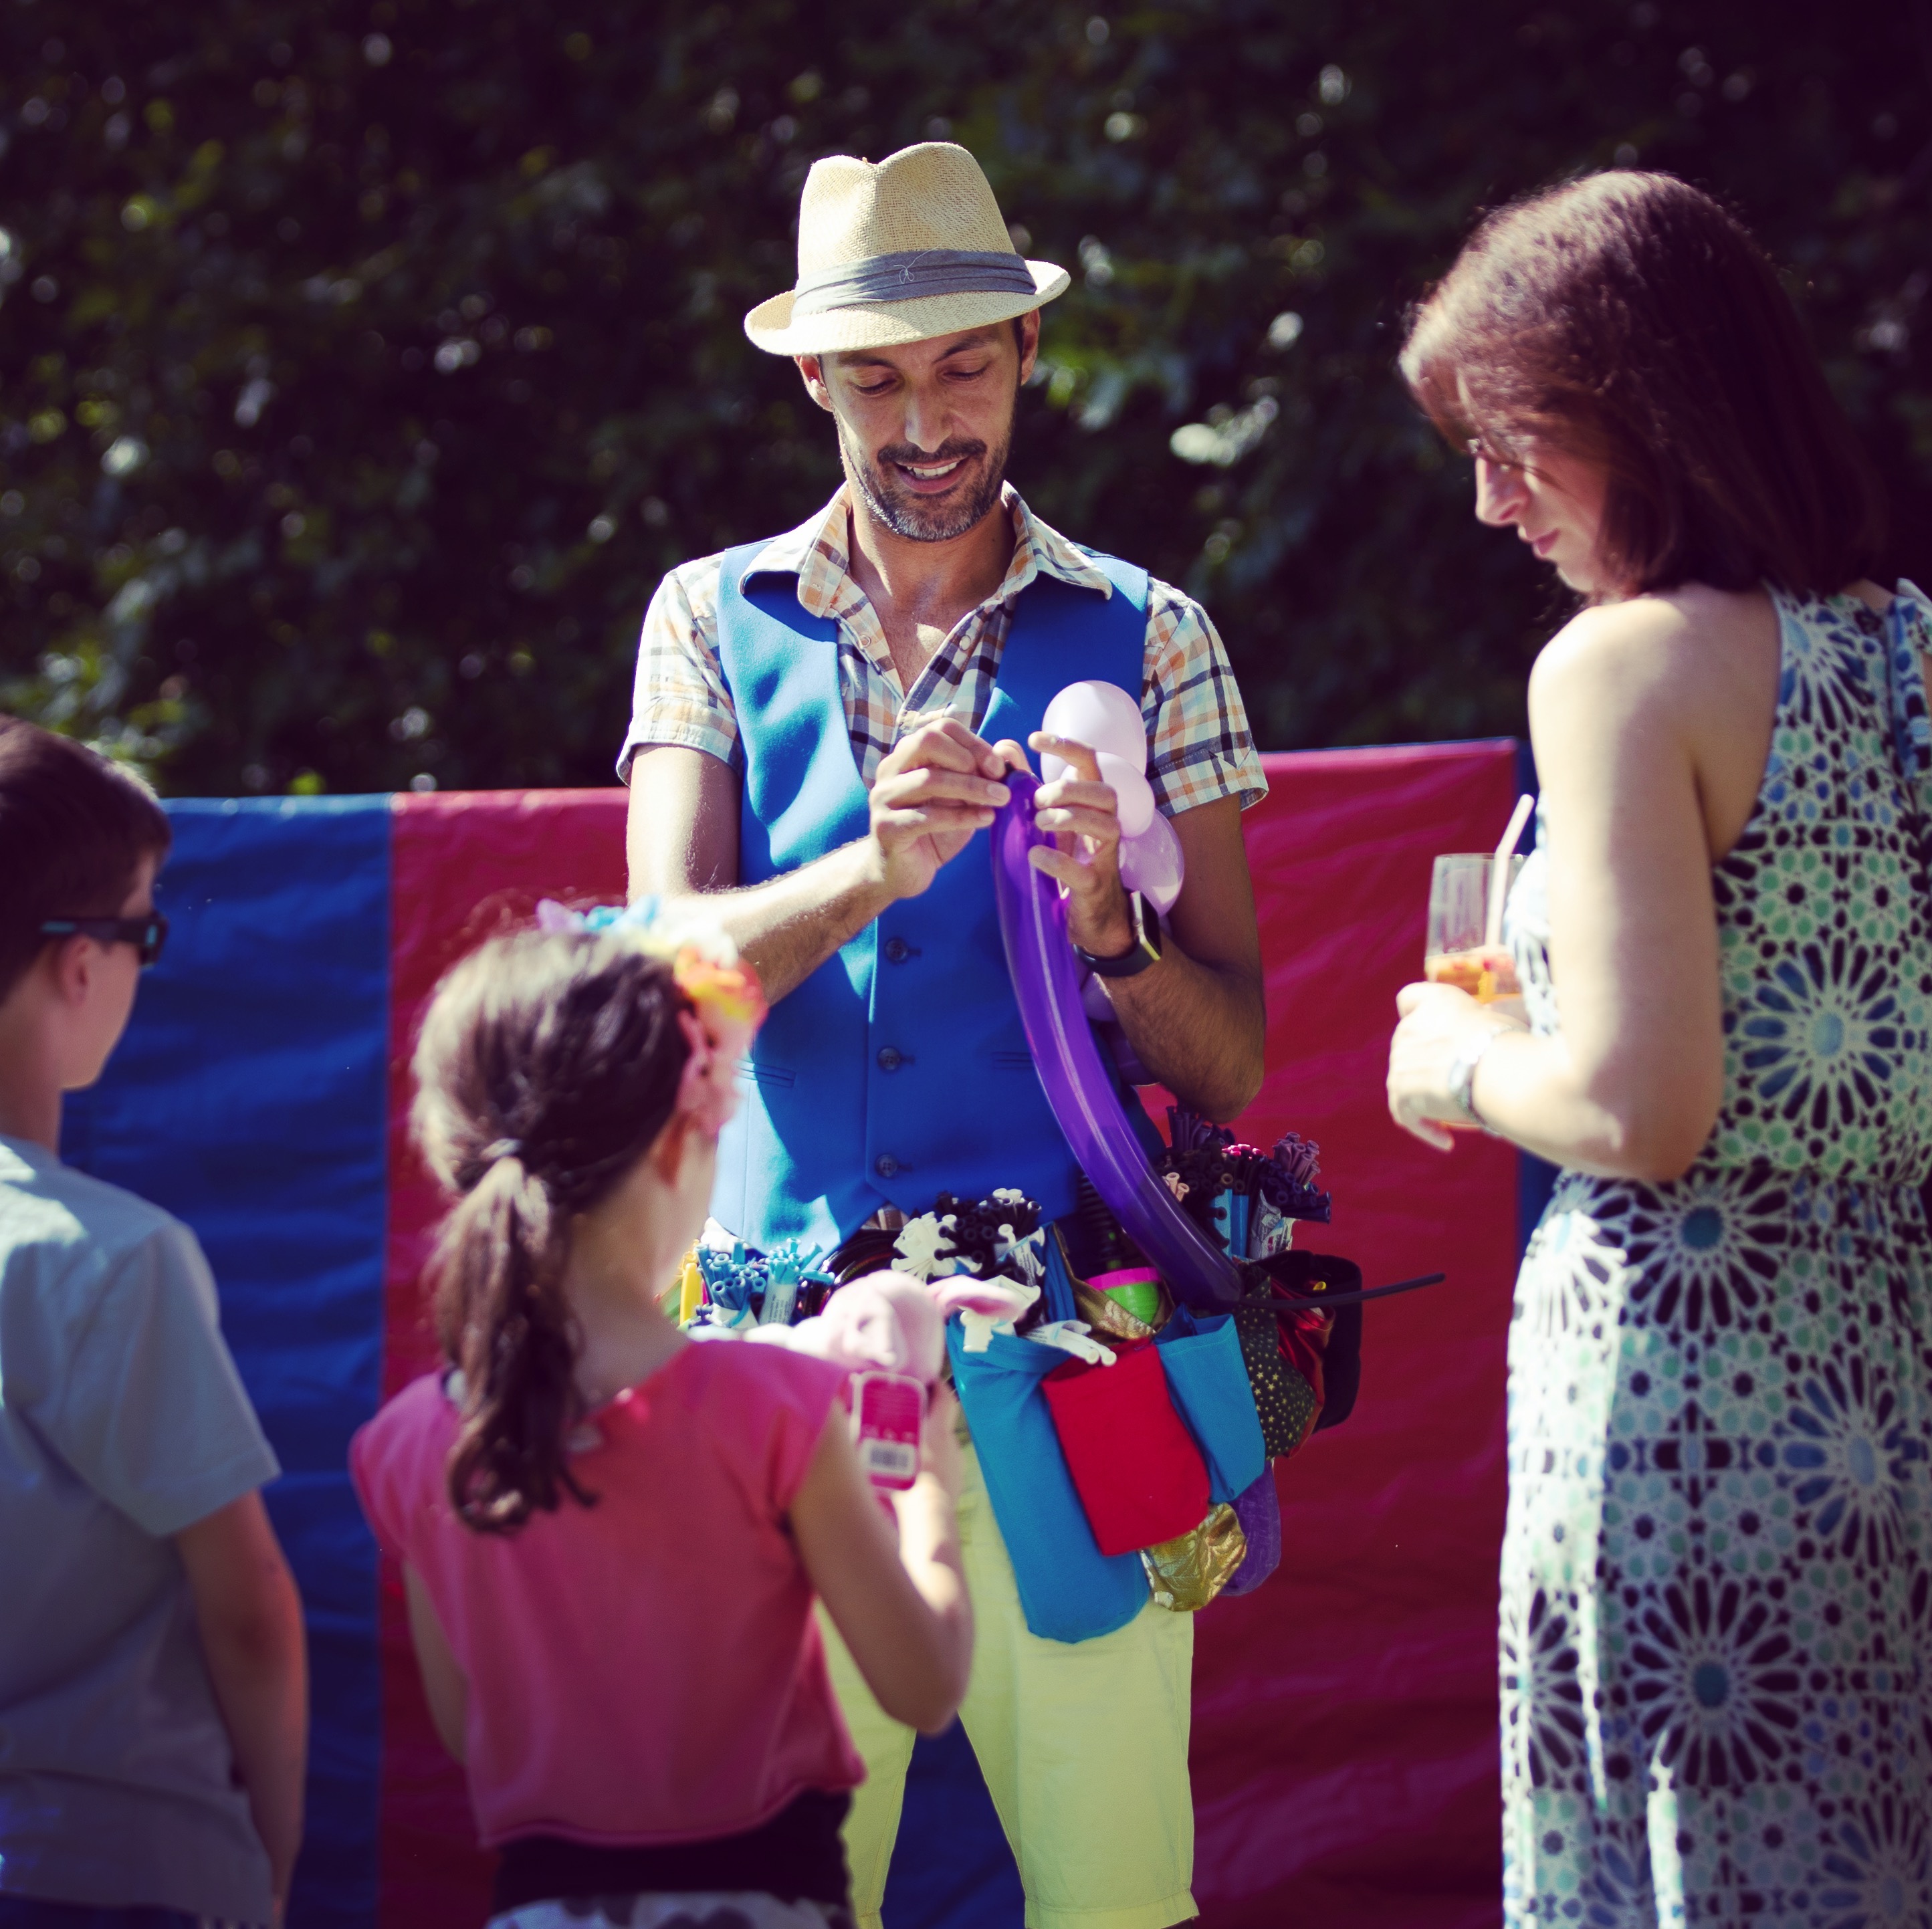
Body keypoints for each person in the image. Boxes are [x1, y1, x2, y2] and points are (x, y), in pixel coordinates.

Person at [622, 140, 1268, 1929]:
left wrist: (1108, 933)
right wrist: (864, 869)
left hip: (1078, 1377)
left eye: (964, 363)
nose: (926, 417)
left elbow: (1230, 1061)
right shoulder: (704, 614)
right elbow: (652, 984)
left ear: (1027, 354)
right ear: (815, 377)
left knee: (1113, 1897)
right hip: (773, 1380)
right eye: (880, 376)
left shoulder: (1155, 633)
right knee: (755, 1896)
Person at [1384, 171, 1932, 1924]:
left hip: (1689, 1434)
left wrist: (1449, 1060)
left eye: (1513, 441)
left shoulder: (1621, 669)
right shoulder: (1910, 642)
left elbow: (1639, 1101)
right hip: (1899, 1386)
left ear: (1644, 412)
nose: (1484, 501)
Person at [349, 923, 972, 1929]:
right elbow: (924, 1683)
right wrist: (927, 1484)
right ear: (686, 1136)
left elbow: (469, 1726)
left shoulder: (408, 1447)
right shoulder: (776, 1408)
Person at [0, 717, 308, 1927]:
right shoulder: (113, 1260)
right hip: (114, 1869)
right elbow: (251, 1610)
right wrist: (271, 1866)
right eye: (145, 930)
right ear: (82, 962)